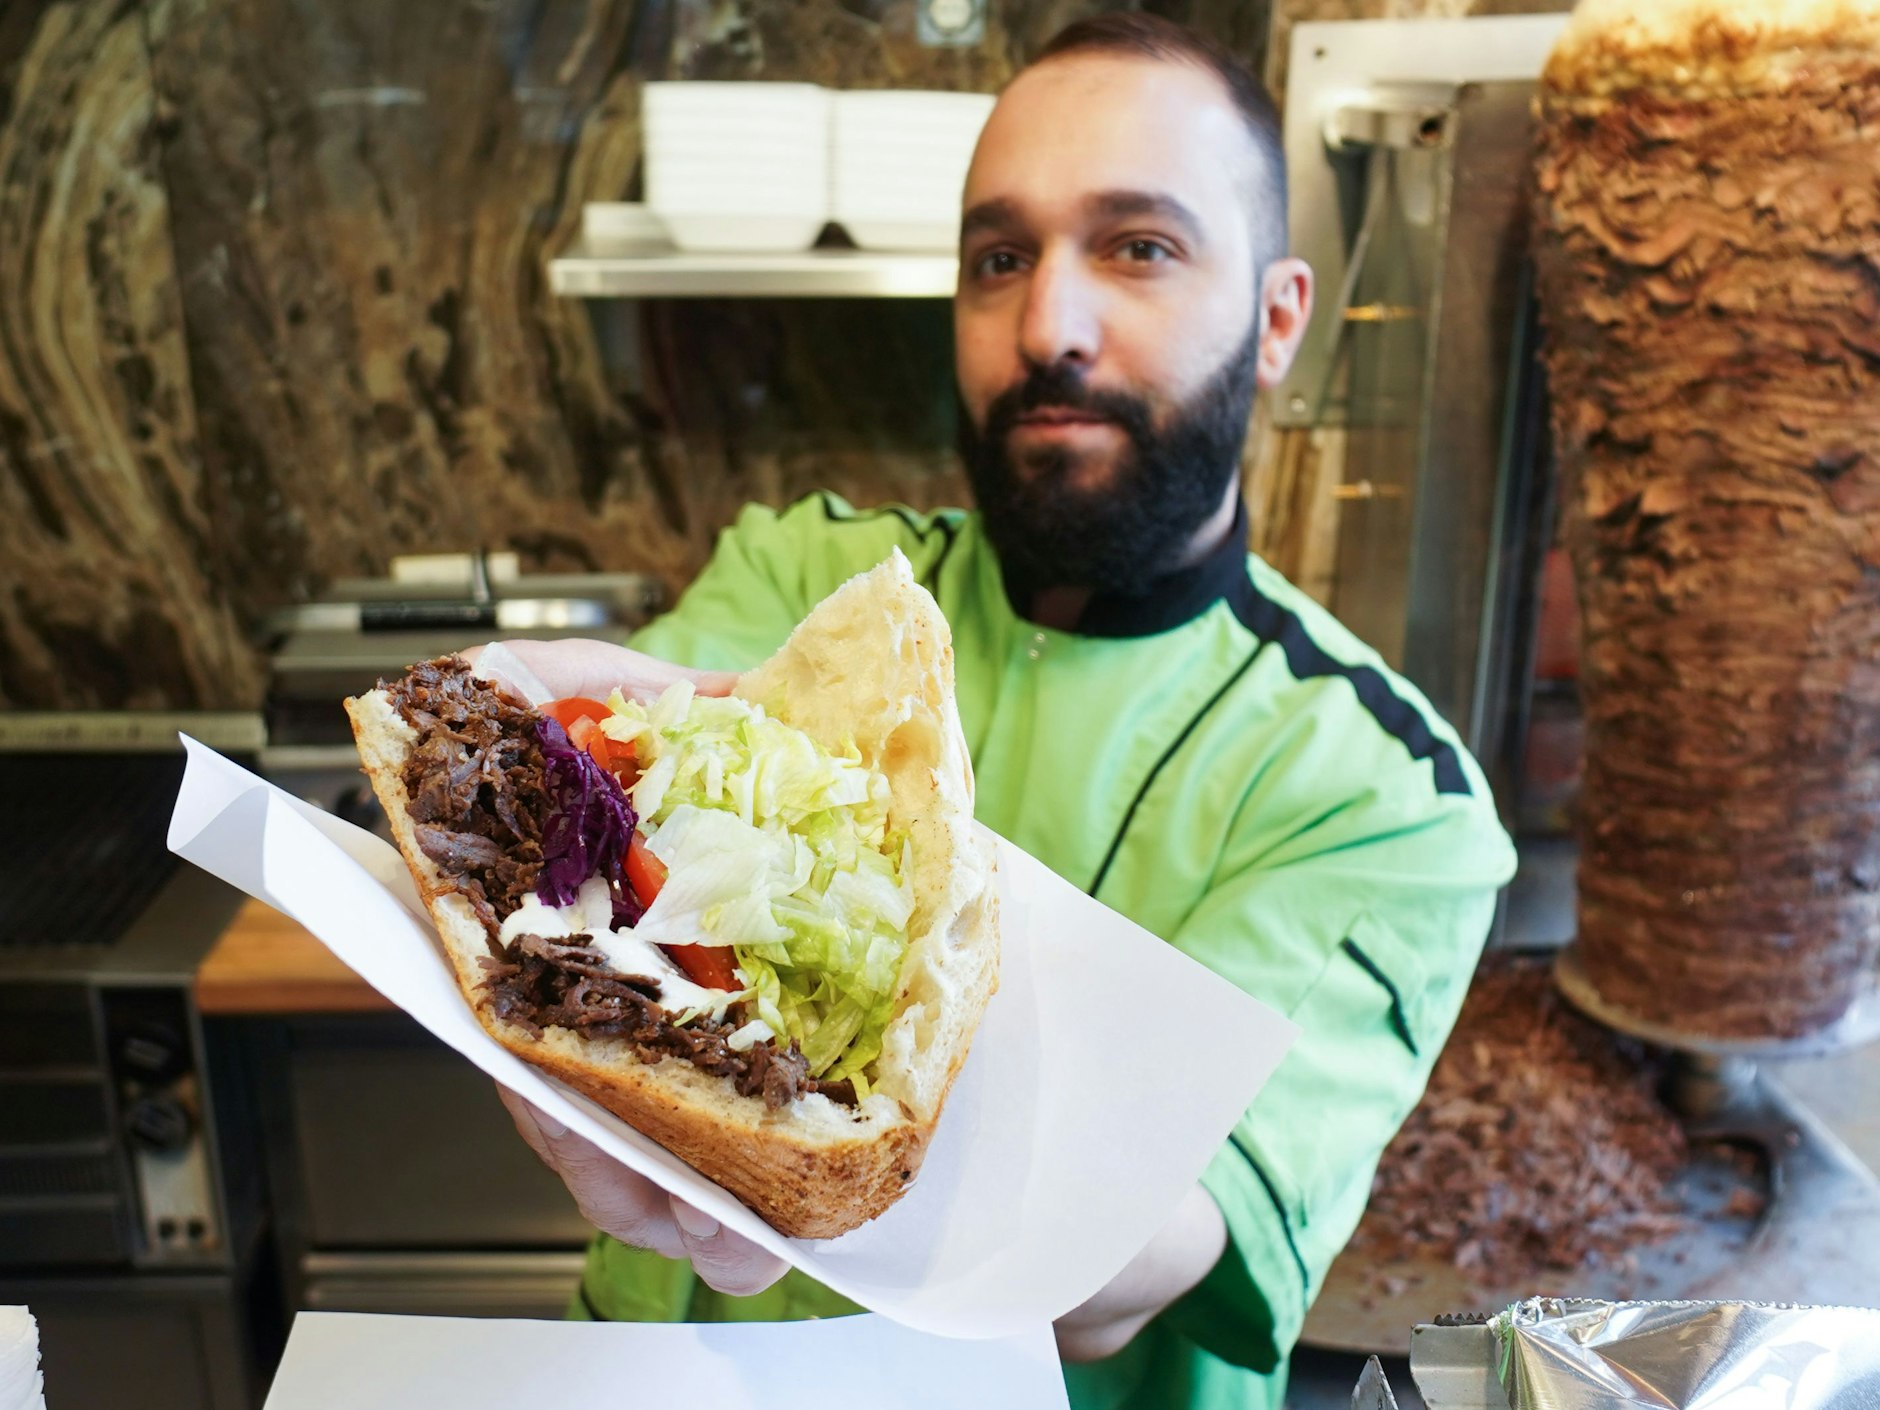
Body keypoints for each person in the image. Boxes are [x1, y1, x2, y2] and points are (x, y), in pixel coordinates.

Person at [482, 13, 1517, 1408]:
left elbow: (1139, 1262)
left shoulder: (1383, 791)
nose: (1049, 326)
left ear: (1278, 320)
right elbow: (593, 785)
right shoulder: (809, 566)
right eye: (1000, 257)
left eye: (1138, 247)